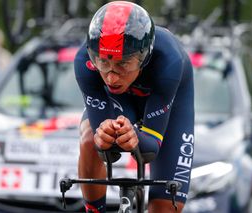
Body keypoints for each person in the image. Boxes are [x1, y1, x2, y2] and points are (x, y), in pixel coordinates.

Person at [74, 1, 194, 213]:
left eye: (123, 64)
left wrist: (137, 137)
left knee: (165, 207)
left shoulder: (169, 61)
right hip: (121, 102)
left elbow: (150, 150)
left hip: (168, 104)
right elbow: (105, 151)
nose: (111, 77)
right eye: (103, 63)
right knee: (90, 138)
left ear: (144, 56)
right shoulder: (84, 62)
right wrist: (104, 138)